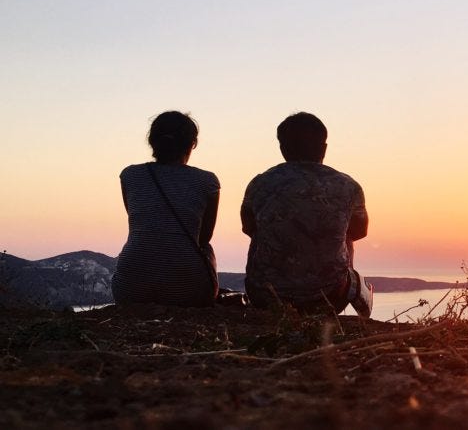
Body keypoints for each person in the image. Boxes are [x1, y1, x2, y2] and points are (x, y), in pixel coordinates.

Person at [241, 112, 368, 312]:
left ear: (283, 148)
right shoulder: (348, 186)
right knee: (347, 236)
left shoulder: (259, 183)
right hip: (328, 297)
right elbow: (359, 231)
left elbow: (249, 227)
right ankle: (359, 318)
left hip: (265, 296)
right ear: (323, 148)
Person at [112, 111, 220, 306]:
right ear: (191, 144)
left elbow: (138, 221)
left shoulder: (130, 175)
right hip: (189, 293)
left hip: (129, 290)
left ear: (152, 142)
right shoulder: (207, 181)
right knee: (205, 248)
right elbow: (204, 238)